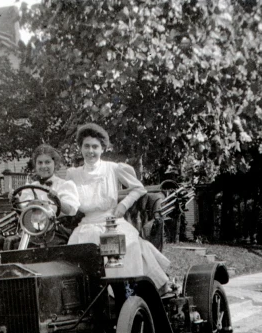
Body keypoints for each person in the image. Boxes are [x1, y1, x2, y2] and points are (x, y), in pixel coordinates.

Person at [65, 123, 170, 290]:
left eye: (95, 146)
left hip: (111, 223)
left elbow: (139, 188)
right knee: (79, 256)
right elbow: (59, 191)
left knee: (131, 245)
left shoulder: (112, 169)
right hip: (87, 225)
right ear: (80, 148)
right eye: (86, 146)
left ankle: (129, 292)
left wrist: (123, 205)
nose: (90, 151)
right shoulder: (73, 174)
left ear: (102, 149)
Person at [14, 144, 80, 245]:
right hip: (33, 231)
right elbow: (24, 212)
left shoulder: (65, 185)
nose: (43, 166)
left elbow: (71, 210)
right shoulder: (30, 187)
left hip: (57, 231)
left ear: (55, 164)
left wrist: (57, 200)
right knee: (12, 244)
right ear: (35, 165)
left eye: (47, 162)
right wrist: (16, 200)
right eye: (40, 163)